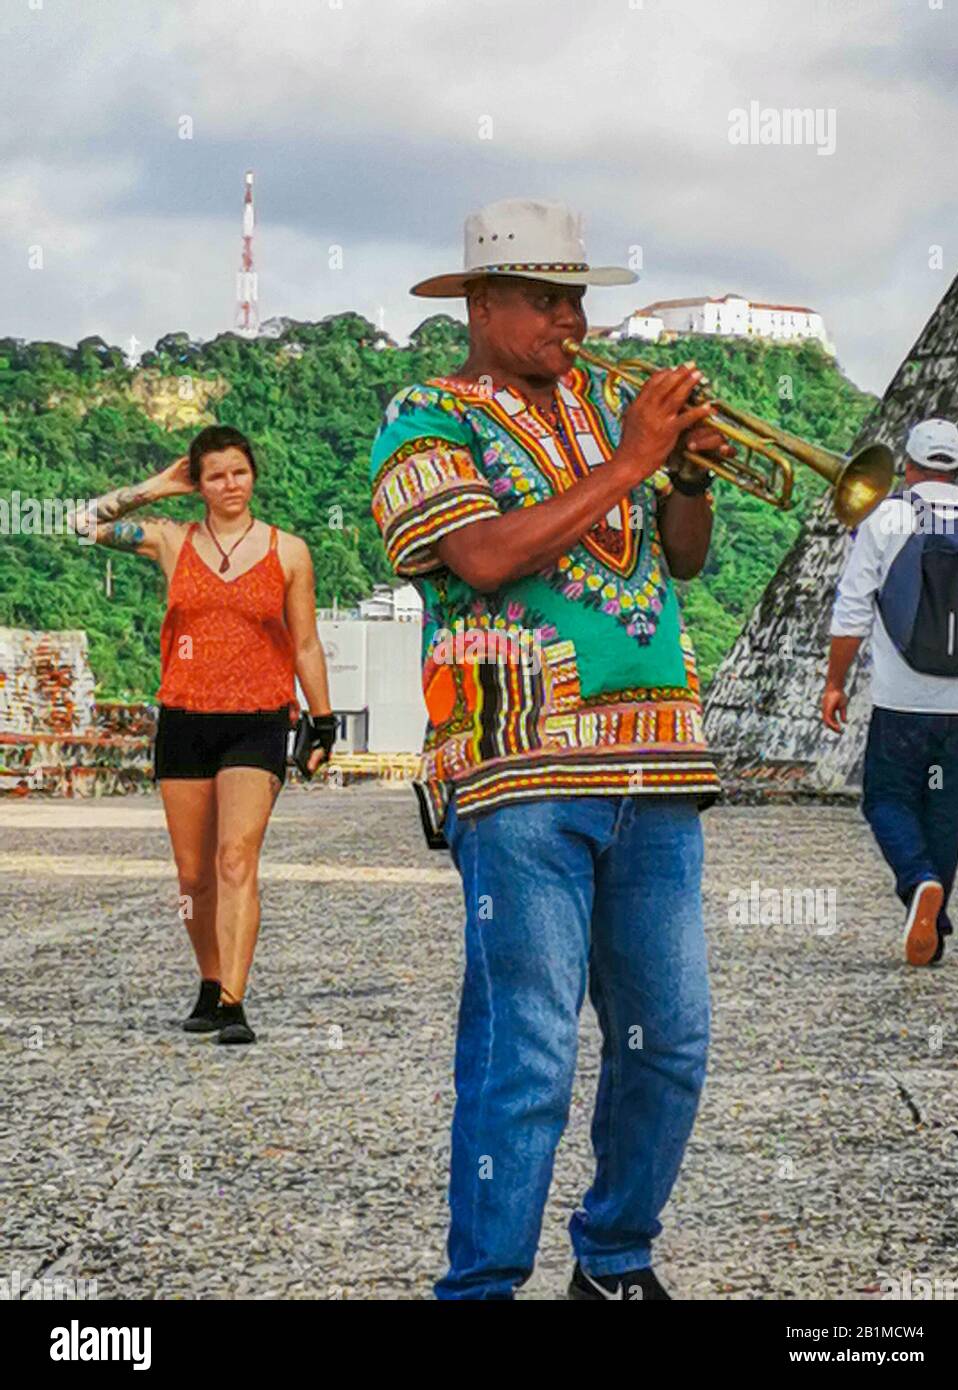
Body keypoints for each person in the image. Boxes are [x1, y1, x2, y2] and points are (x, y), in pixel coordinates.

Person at [370, 198, 732, 1300]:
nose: (568, 317)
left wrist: (686, 476)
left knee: (667, 1040)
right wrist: (630, 461)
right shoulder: (427, 414)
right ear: (480, 302)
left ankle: (614, 1257)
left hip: (656, 766)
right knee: (524, 1053)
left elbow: (678, 562)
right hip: (518, 769)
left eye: (576, 295)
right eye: (543, 297)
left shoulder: (610, 407)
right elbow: (478, 555)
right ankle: (480, 1285)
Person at [69, 425, 337, 1043]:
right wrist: (156, 488)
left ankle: (235, 1004)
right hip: (186, 720)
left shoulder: (288, 551)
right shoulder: (170, 541)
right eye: (214, 475)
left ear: (254, 474)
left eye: (238, 472)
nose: (229, 485)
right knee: (192, 878)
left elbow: (304, 642)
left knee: (235, 858)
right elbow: (80, 524)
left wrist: (321, 720)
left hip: (258, 721)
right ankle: (210, 982)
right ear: (199, 484)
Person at [823, 416, 958, 967]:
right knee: (946, 814)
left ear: (907, 466)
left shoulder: (888, 517)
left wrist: (834, 682)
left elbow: (852, 609)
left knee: (885, 800)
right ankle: (933, 934)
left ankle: (919, 882)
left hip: (901, 699)